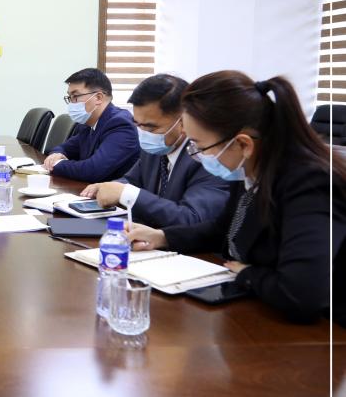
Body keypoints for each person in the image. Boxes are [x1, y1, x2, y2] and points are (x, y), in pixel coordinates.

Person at [127, 71, 344, 325]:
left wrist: (248, 274)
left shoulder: (312, 184)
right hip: (260, 307)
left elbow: (302, 293)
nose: (196, 155)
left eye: (200, 147)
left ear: (243, 144)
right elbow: (222, 229)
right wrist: (163, 237)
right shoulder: (250, 169)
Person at [80, 74, 229, 227]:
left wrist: (125, 193)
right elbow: (133, 181)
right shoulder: (154, 148)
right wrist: (109, 187)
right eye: (138, 125)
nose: (144, 133)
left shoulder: (207, 157)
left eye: (151, 127)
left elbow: (191, 218)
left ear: (184, 122)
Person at [43, 67, 139, 183]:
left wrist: (56, 164)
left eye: (75, 96)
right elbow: (64, 148)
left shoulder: (120, 125)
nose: (71, 103)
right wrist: (56, 154)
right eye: (70, 97)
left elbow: (92, 170)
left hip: (112, 193)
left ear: (98, 98)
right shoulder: (88, 124)